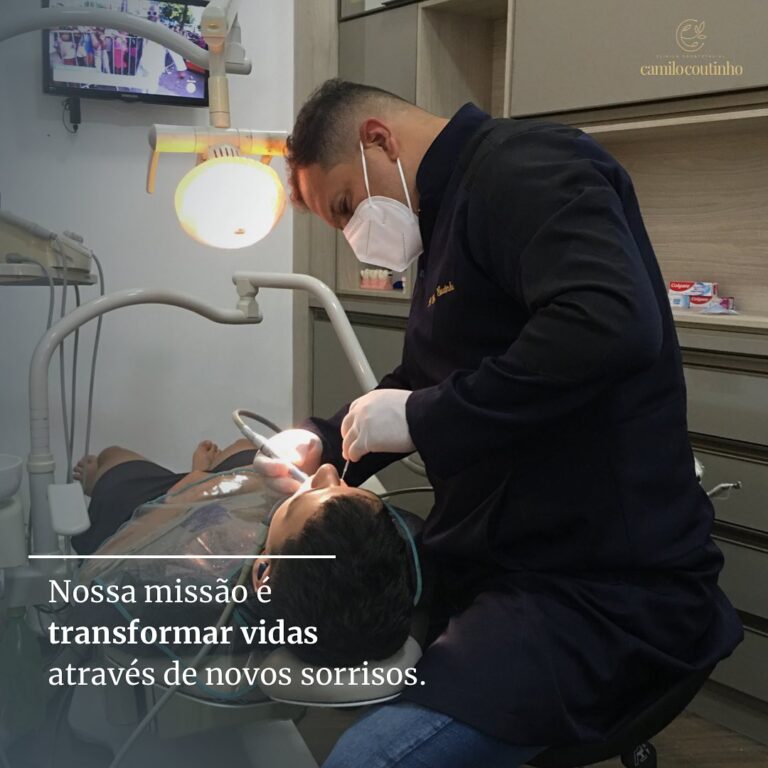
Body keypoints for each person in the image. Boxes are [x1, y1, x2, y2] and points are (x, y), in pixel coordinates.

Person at [252, 79, 744, 767]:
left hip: (598, 592)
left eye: (344, 205)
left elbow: (608, 324)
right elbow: (433, 373)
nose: (357, 233)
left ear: (378, 140)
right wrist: (326, 441)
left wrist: (423, 417)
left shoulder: (526, 168)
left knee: (368, 758)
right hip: (500, 563)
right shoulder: (448, 215)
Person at [71, 441, 417, 667]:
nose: (328, 470)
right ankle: (209, 469)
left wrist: (194, 485)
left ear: (263, 571)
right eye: (343, 486)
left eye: (313, 491)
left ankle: (100, 482)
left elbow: (96, 579)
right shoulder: (343, 565)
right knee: (245, 448)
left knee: (110, 457)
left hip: (161, 513)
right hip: (226, 499)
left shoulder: (186, 593)